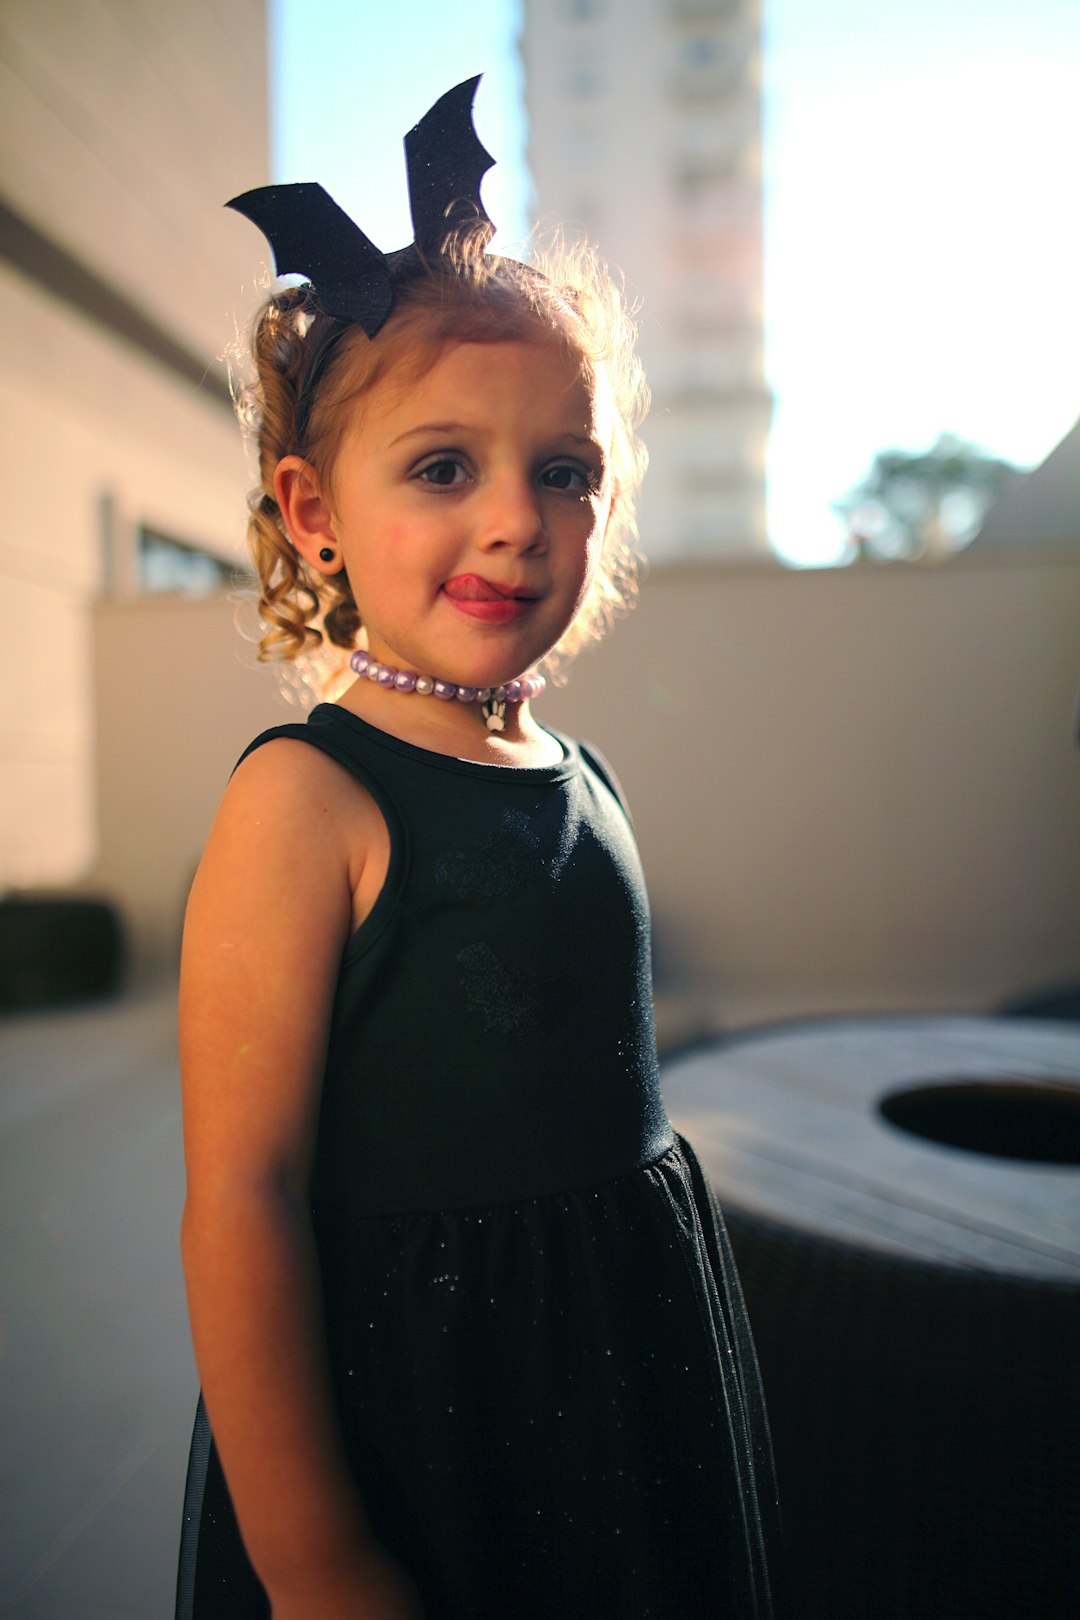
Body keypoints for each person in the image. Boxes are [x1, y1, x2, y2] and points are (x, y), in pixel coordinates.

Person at [175, 79, 785, 1620]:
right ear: (314, 512)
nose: (516, 519)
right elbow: (240, 1193)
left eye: (564, 471)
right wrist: (314, 1559)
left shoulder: (583, 775)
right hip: (426, 1412)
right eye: (443, 468)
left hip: (622, 1374)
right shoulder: (308, 804)